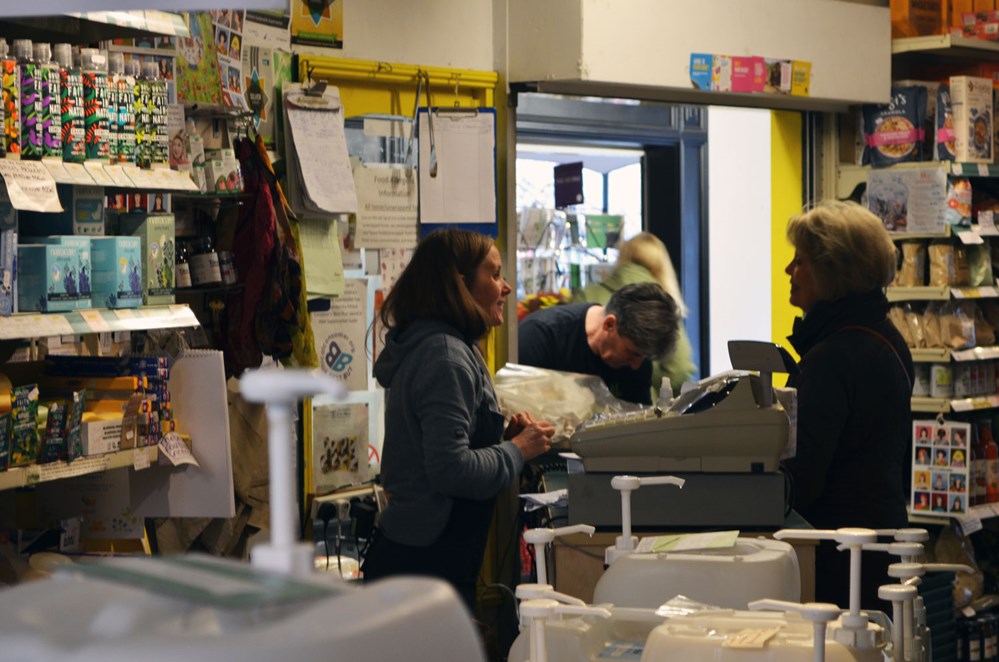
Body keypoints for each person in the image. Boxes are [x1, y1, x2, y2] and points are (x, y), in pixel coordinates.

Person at [361, 229, 554, 611]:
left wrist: (501, 439)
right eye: (495, 274)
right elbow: (451, 470)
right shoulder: (444, 357)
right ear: (459, 283)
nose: (507, 287)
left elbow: (445, 443)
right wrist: (516, 450)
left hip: (433, 562)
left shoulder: (449, 347)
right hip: (421, 569)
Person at [780, 200, 914, 613]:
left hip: (838, 561)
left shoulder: (834, 356)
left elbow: (803, 480)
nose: (789, 271)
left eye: (799, 261)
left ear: (830, 271)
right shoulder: (885, 337)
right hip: (878, 547)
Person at [572, 232, 696, 398]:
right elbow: (680, 369)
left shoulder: (586, 296)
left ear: (624, 256)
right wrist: (654, 390)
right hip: (638, 409)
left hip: (583, 405)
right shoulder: (660, 308)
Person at [518, 281, 679, 405]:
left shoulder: (638, 360)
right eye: (632, 353)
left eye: (643, 357)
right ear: (609, 324)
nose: (636, 365)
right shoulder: (541, 335)